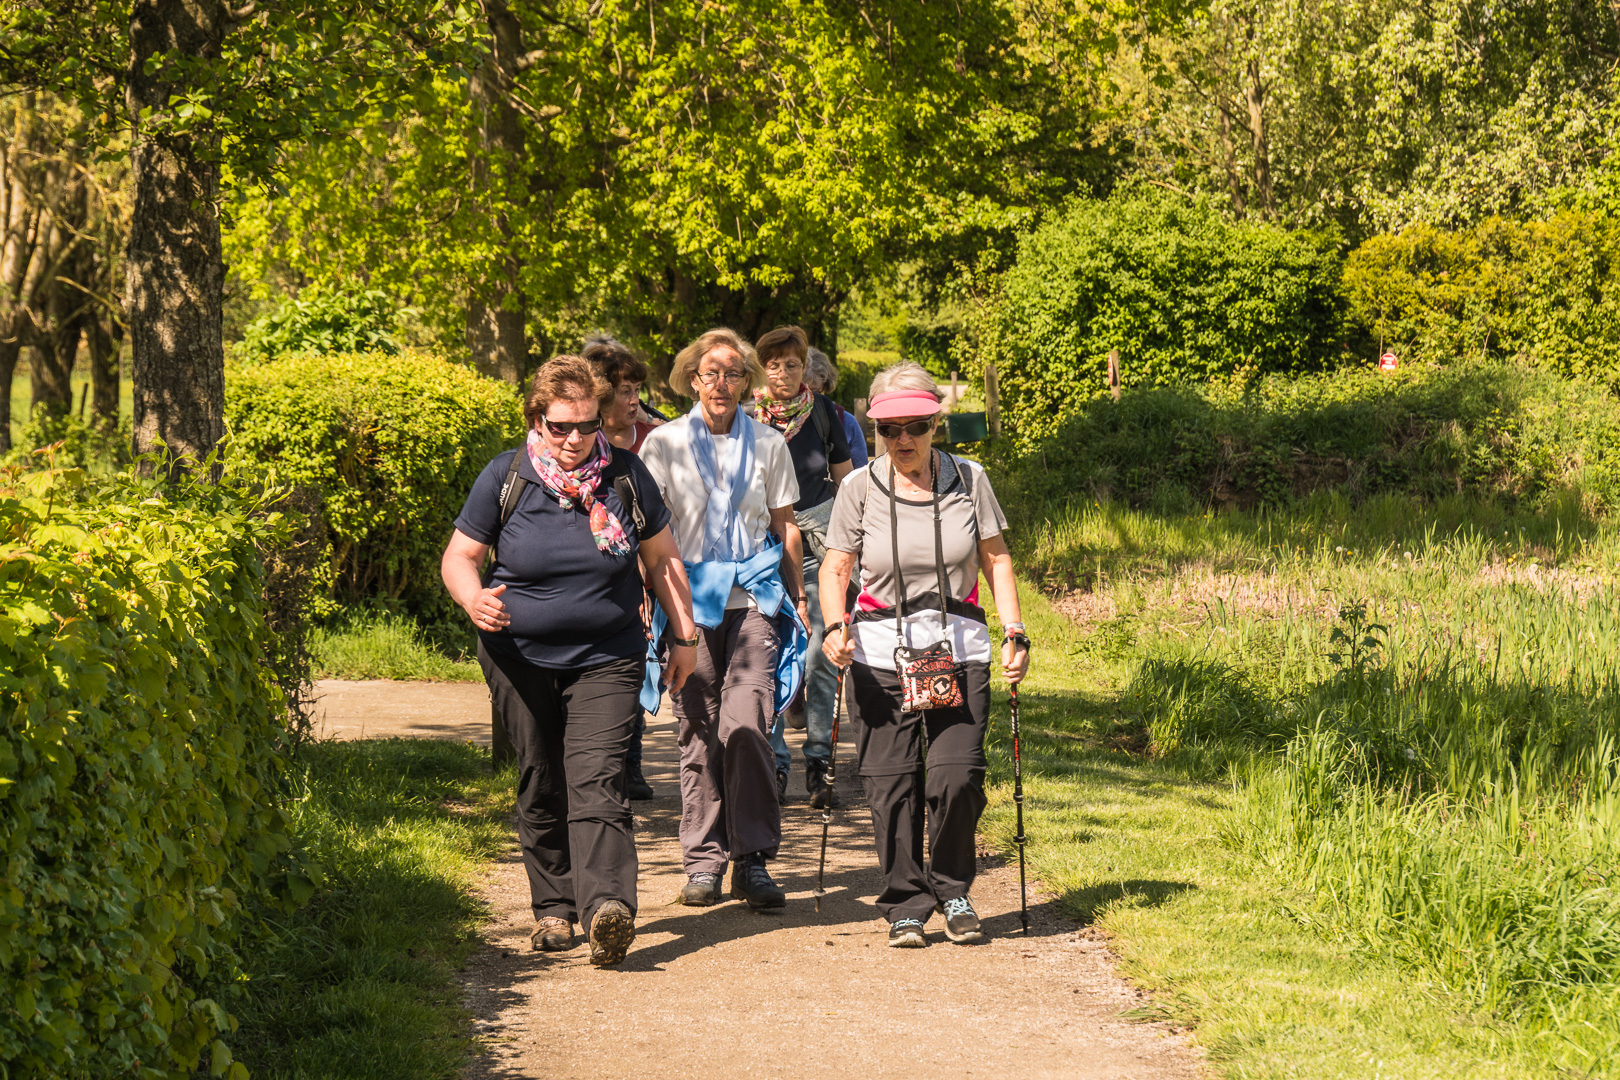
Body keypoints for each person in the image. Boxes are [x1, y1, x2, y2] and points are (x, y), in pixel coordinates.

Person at [441, 355, 698, 967]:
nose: (575, 439)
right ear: (538, 420)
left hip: (608, 655)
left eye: (586, 425)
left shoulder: (627, 476)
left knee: (598, 777)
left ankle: (608, 907)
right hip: (518, 655)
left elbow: (663, 561)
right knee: (541, 775)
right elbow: (460, 556)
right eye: (560, 426)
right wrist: (473, 599)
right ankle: (554, 907)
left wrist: (683, 639)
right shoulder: (506, 476)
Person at [818, 361, 1030, 948]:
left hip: (957, 650)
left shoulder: (970, 478)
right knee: (890, 784)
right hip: (880, 653)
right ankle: (906, 903)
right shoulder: (858, 488)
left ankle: (953, 888)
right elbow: (836, 568)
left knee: (957, 777)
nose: (902, 440)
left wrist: (1015, 631)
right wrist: (835, 626)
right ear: (876, 432)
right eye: (889, 430)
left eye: (915, 426)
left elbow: (997, 561)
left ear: (937, 423)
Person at [639, 328, 809, 911]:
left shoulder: (768, 444)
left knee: (745, 725)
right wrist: (649, 603)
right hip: (686, 602)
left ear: (746, 382)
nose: (721, 383)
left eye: (733, 373)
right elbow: (648, 535)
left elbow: (787, 526)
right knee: (697, 733)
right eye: (711, 373)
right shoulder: (661, 444)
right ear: (693, 378)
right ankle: (704, 861)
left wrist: (799, 596)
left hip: (752, 596)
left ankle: (754, 859)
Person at [752, 326, 853, 810]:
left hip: (818, 545)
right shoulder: (746, 418)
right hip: (763, 549)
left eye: (792, 364)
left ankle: (819, 760)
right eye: (773, 364)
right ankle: (773, 761)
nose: (783, 373)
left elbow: (847, 488)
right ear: (761, 368)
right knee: (766, 654)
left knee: (820, 652)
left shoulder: (826, 415)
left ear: (804, 367)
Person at [582, 334, 664, 800]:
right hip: (603, 575)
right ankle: (624, 765)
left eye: (637, 389)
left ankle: (631, 762)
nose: (634, 400)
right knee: (622, 662)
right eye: (623, 391)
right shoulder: (575, 445)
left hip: (656, 565)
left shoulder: (655, 439)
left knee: (645, 664)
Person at [806, 346, 869, 469]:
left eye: (815, 393)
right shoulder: (772, 420)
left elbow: (861, 476)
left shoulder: (845, 422)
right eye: (801, 392)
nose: (807, 398)